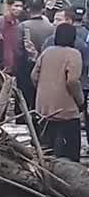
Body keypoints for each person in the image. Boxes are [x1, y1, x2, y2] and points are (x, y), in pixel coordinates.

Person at [32, 23, 84, 162]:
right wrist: (81, 101)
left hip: (44, 108)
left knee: (46, 149)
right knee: (69, 151)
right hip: (66, 109)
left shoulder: (47, 52)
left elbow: (34, 76)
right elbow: (72, 81)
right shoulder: (74, 54)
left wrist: (44, 90)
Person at [42, 6, 89, 141]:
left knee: (49, 136)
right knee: (68, 137)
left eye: (58, 19)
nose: (55, 22)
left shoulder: (48, 48)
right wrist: (80, 101)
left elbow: (35, 75)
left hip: (48, 103)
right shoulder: (78, 48)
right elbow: (76, 78)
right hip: (69, 102)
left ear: (69, 20)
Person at [17, 0, 55, 110]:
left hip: (26, 64)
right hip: (45, 64)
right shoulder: (51, 27)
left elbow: (18, 48)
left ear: (28, 9)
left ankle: (22, 118)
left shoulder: (23, 26)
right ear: (42, 9)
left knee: (23, 94)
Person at [0, 0, 25, 74]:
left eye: (21, 7)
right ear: (8, 6)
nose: (19, 9)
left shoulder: (19, 25)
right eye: (16, 6)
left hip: (13, 68)